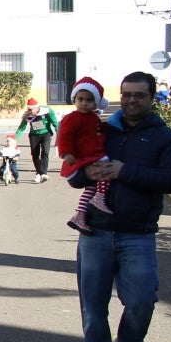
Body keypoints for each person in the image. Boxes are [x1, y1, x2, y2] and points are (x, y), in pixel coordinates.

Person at [70, 71, 171, 342]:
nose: (131, 100)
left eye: (139, 95)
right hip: (95, 232)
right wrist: (85, 173)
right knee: (92, 306)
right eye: (126, 94)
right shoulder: (101, 130)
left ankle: (130, 340)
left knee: (142, 300)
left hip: (138, 234)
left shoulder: (166, 138)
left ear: (152, 98)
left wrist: (126, 171)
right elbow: (74, 173)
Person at [57, 77, 113, 233]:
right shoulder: (72, 117)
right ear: (74, 99)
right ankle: (100, 196)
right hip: (81, 157)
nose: (84, 103)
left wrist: (105, 128)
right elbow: (65, 136)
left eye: (89, 100)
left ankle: (80, 214)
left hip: (88, 154)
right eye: (80, 99)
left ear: (96, 103)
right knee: (105, 165)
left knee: (91, 186)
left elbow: (96, 130)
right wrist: (66, 153)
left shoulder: (92, 117)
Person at [15, 97, 59, 183]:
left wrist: (61, 136)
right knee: (35, 154)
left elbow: (55, 123)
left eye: (31, 109)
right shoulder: (28, 115)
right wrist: (14, 139)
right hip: (34, 135)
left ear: (36, 108)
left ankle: (43, 173)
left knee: (45, 152)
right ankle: (38, 173)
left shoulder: (47, 111)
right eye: (28, 109)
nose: (29, 111)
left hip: (46, 133)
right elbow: (21, 128)